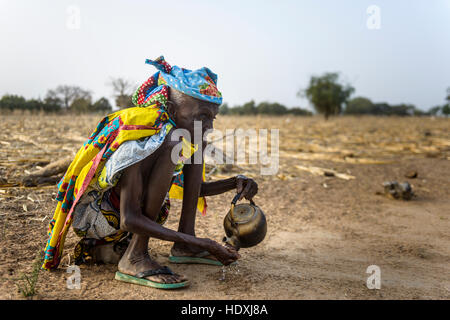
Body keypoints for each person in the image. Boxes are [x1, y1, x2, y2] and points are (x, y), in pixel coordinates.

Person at [42, 56, 258, 289]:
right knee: (176, 144)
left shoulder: (182, 138)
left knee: (196, 144)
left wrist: (235, 182)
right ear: (172, 110)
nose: (210, 126)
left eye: (212, 118)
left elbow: (190, 190)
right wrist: (204, 243)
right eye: (202, 116)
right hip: (104, 220)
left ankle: (184, 247)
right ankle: (135, 257)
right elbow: (129, 219)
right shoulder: (141, 140)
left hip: (134, 219)